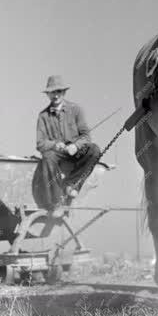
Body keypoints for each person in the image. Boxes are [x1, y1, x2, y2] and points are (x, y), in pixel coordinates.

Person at [33, 75, 101, 215]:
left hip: (75, 152)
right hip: (56, 155)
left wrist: (75, 146)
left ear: (64, 93)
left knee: (94, 150)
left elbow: (86, 136)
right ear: (48, 94)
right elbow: (40, 143)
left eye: (58, 92)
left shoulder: (76, 110)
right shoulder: (43, 116)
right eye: (52, 92)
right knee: (48, 156)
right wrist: (54, 145)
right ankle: (57, 204)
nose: (56, 95)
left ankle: (71, 184)